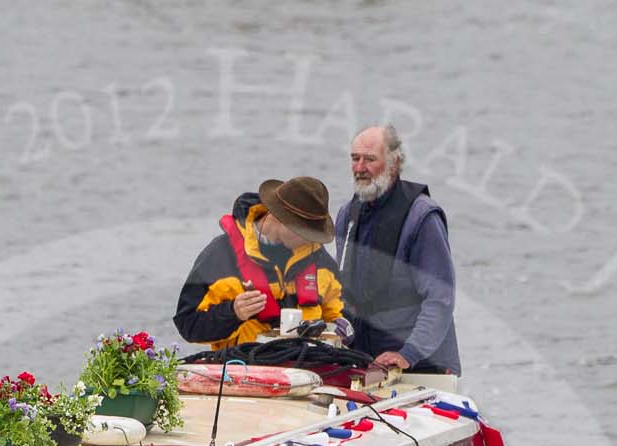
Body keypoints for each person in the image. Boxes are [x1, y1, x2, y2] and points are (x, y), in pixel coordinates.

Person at [333, 125, 460, 377]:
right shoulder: (347, 214)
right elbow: (343, 294)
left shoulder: (422, 217)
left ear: (394, 163)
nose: (360, 168)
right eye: (355, 158)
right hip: (367, 361)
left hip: (422, 364)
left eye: (370, 159)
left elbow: (440, 297)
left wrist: (408, 354)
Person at [174, 176, 345, 351]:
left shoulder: (319, 259)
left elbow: (340, 314)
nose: (312, 240)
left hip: (309, 369)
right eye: (306, 232)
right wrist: (233, 312)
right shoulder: (220, 254)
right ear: (278, 217)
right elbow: (187, 325)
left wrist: (343, 325)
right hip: (243, 370)